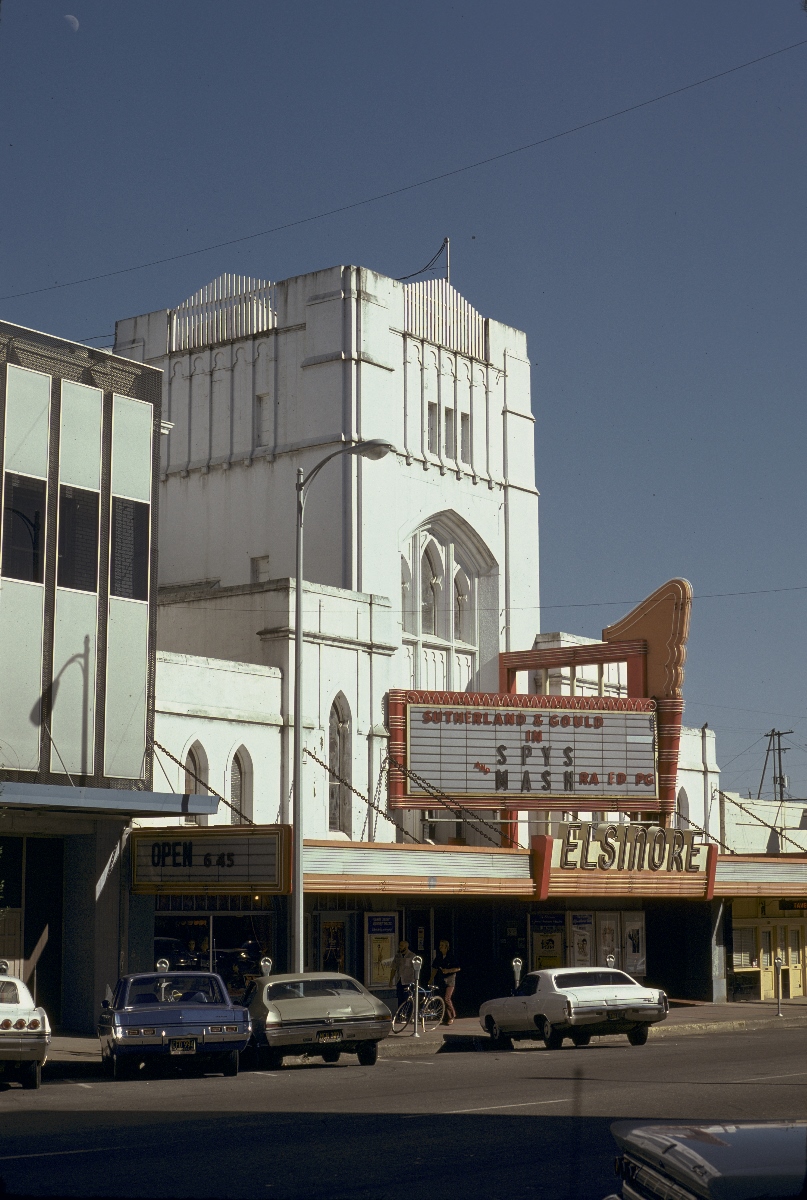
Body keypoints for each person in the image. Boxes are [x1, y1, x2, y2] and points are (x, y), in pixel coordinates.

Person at [430, 939, 460, 1024]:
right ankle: (446, 1017)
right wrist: (431, 979)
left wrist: (448, 971)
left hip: (450, 981)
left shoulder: (451, 956)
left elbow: (458, 968)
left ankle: (452, 1015)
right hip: (441, 980)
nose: (440, 947)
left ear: (446, 947)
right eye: (440, 945)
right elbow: (435, 968)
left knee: (447, 998)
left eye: (442, 945)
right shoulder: (439, 957)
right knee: (442, 998)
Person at [389, 939, 417, 1010]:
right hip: (400, 981)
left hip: (409, 981)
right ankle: (400, 1013)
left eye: (402, 946)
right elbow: (394, 968)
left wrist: (415, 981)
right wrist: (391, 980)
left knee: (408, 999)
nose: (400, 947)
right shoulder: (397, 956)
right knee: (400, 999)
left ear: (406, 947)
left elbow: (416, 969)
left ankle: (409, 1014)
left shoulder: (412, 956)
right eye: (399, 945)